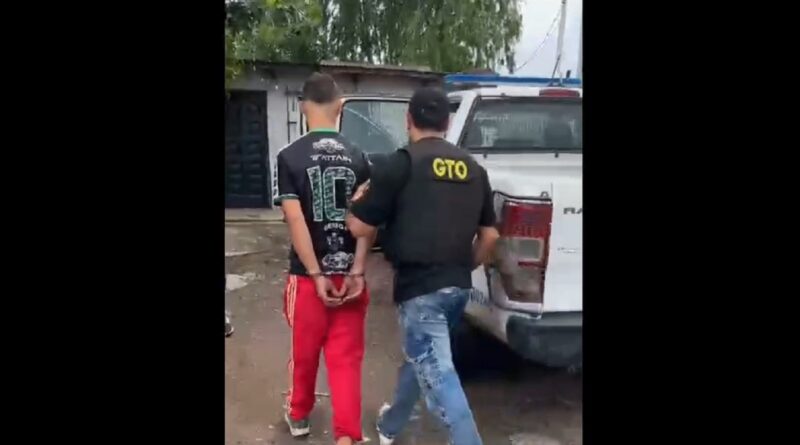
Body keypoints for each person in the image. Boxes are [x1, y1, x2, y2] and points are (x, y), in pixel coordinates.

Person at [346, 87, 499, 445]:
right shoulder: (473, 168)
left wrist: (357, 202)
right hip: (457, 289)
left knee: (440, 377)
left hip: (420, 290)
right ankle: (390, 426)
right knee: (423, 358)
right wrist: (465, 265)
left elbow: (360, 227)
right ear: (447, 122)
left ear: (408, 119)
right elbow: (490, 236)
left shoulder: (399, 163)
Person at [274, 73, 372, 445]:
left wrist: (315, 274)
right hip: (350, 276)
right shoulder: (359, 157)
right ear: (341, 106)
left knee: (304, 353)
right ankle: (346, 436)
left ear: (302, 107)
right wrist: (357, 270)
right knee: (345, 361)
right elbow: (367, 223)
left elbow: (295, 218)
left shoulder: (289, 156)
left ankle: (299, 415)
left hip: (306, 278)